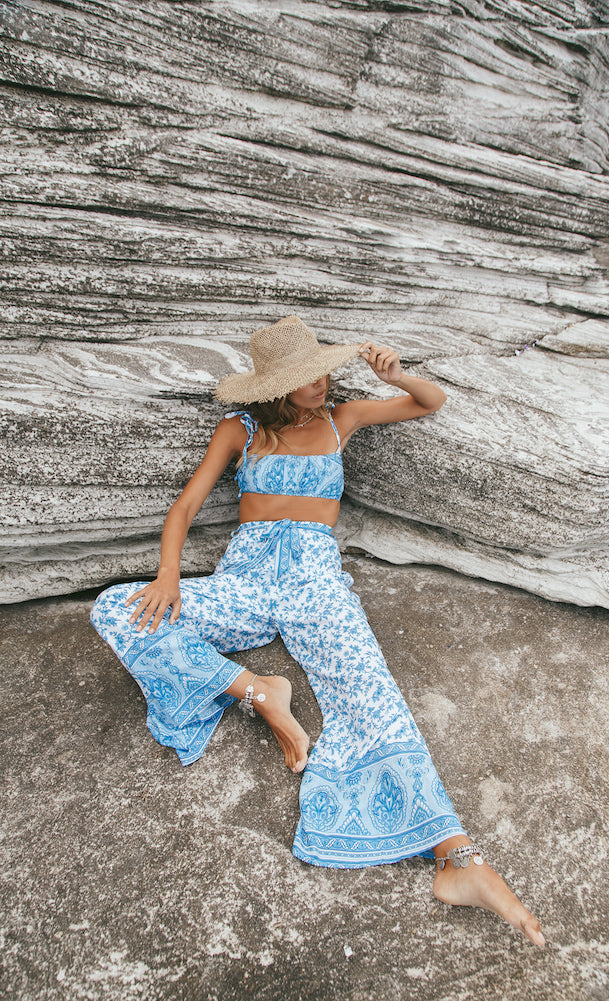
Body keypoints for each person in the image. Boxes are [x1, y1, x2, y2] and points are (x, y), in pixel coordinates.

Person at [90, 315, 545, 947]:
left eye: (322, 371)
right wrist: (168, 575)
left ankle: (456, 857)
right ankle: (256, 690)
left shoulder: (342, 419)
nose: (321, 383)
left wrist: (397, 374)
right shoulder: (240, 429)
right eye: (307, 377)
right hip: (245, 578)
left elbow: (429, 402)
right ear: (276, 386)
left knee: (366, 685)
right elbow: (187, 504)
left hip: (315, 579)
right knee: (117, 607)